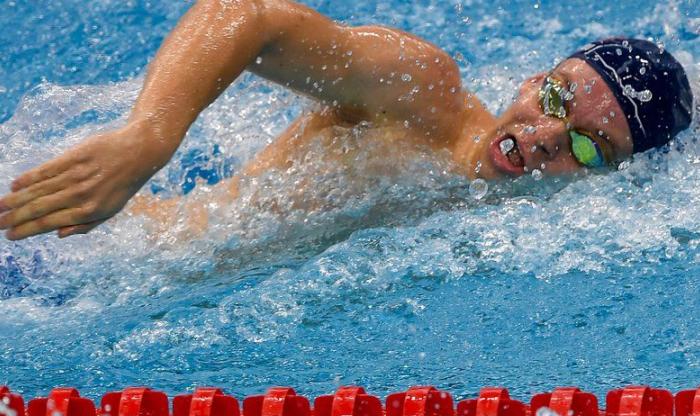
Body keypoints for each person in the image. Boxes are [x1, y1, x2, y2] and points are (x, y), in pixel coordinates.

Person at [0, 0, 693, 241]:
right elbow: (250, 16)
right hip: (67, 230)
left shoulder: (521, 230)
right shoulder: (424, 92)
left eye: (588, 147)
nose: (544, 139)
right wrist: (147, 138)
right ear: (530, 79)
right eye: (554, 101)